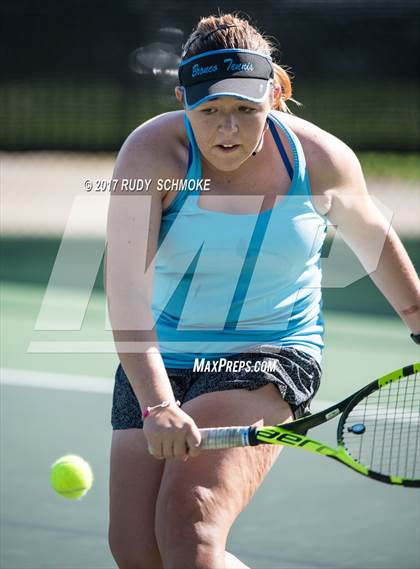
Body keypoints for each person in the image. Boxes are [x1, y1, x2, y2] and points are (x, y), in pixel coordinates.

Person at [105, 13, 420, 569]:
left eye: (245, 111)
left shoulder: (321, 161)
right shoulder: (149, 155)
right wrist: (157, 402)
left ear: (276, 94)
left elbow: (379, 250)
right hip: (162, 356)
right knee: (137, 553)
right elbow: (125, 289)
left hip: (269, 352)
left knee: (191, 527)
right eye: (209, 111)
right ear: (183, 99)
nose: (227, 129)